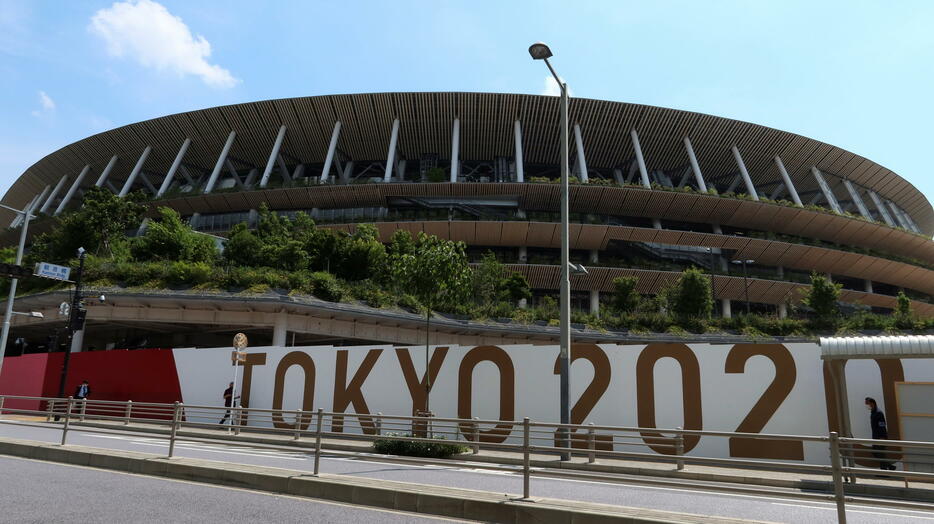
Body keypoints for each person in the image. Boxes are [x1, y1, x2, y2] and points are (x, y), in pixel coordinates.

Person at [865, 396, 896, 471]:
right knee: (876, 452)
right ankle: (890, 466)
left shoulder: (878, 413)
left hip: (880, 437)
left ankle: (884, 472)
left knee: (880, 453)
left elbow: (882, 426)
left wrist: (882, 438)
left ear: (872, 403)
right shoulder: (873, 412)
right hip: (875, 437)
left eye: (867, 404)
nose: (866, 406)